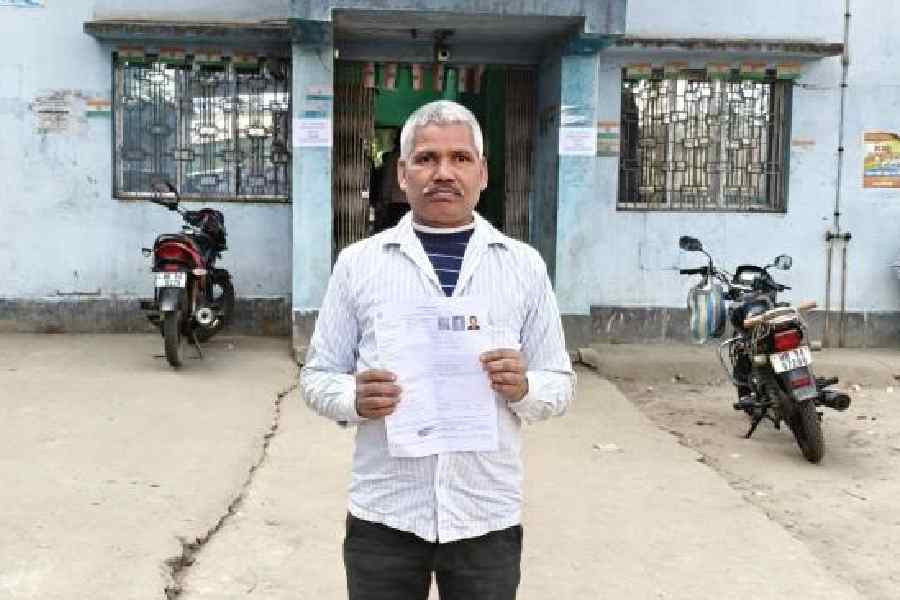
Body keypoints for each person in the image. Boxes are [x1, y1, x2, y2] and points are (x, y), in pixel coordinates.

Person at [300, 99, 574, 600]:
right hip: (386, 511)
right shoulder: (359, 264)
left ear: (483, 172)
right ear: (402, 174)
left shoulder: (523, 266)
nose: (443, 173)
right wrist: (354, 399)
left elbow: (559, 382)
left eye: (460, 158)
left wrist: (525, 387)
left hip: (484, 512)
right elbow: (318, 375)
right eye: (426, 159)